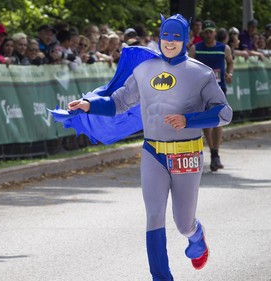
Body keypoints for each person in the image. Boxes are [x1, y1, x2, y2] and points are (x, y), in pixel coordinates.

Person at [51, 14, 232, 280]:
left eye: (176, 37)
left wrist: (189, 120)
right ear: (159, 37)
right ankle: (161, 276)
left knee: (183, 223)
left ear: (185, 39)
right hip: (153, 153)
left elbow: (224, 113)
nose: (170, 42)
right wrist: (90, 105)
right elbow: (119, 102)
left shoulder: (201, 73)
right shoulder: (144, 69)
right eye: (166, 36)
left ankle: (196, 235)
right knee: (154, 215)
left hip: (187, 154)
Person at [189, 19, 233, 172]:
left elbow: (230, 61)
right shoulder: (196, 48)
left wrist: (229, 73)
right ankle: (214, 153)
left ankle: (216, 153)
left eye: (211, 32)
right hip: (201, 90)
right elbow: (189, 65)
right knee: (207, 122)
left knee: (219, 120)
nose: (208, 34)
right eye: (206, 32)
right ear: (203, 33)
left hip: (219, 88)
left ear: (214, 32)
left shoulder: (224, 48)